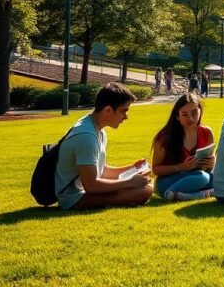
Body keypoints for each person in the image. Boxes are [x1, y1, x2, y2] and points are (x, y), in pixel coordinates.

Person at [54, 82, 153, 210]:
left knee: (145, 185)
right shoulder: (86, 136)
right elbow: (91, 185)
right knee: (144, 190)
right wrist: (129, 183)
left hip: (83, 192)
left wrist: (132, 168)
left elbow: (101, 170)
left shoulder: (96, 129)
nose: (126, 117)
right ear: (108, 110)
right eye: (124, 111)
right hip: (74, 199)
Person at [151, 92, 215, 201]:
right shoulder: (165, 138)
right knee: (203, 178)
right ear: (177, 116)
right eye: (184, 114)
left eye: (194, 112)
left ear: (200, 110)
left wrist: (211, 162)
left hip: (196, 175)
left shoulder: (207, 132)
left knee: (219, 176)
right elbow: (156, 170)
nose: (190, 118)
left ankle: (186, 195)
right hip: (169, 181)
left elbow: (209, 164)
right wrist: (181, 167)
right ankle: (174, 193)